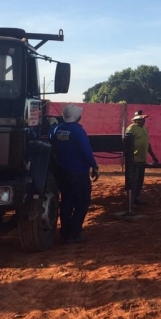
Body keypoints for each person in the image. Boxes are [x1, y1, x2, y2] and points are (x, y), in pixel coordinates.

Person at [50, 104, 99, 243]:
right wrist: (94, 166)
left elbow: (51, 140)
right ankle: (75, 233)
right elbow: (86, 151)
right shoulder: (78, 131)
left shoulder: (58, 129)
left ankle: (65, 233)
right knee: (82, 202)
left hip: (63, 173)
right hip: (78, 173)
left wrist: (51, 126)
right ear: (77, 117)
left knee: (66, 202)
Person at [125, 110, 159, 206]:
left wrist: (153, 156)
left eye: (144, 119)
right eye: (141, 119)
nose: (144, 120)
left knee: (139, 180)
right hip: (134, 159)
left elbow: (147, 144)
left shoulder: (144, 129)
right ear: (136, 120)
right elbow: (127, 144)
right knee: (133, 180)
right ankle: (130, 201)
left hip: (142, 159)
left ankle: (136, 198)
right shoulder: (131, 129)